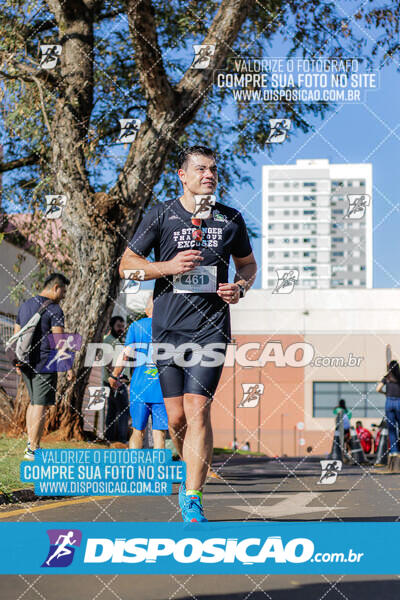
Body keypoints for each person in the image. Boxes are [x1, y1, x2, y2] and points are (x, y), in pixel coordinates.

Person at [119, 145, 257, 522]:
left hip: (210, 329)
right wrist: (167, 266)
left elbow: (247, 266)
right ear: (182, 175)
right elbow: (126, 266)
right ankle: (188, 469)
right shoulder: (161, 215)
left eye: (213, 169)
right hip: (167, 330)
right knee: (176, 418)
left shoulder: (230, 220)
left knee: (198, 410)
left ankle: (192, 495)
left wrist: (240, 289)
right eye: (200, 169)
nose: (209, 175)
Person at [13, 273, 71, 460]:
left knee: (33, 403)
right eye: (63, 291)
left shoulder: (25, 305)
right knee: (41, 405)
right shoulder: (54, 309)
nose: (63, 295)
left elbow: (17, 332)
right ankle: (33, 448)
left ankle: (30, 444)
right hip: (45, 364)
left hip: (26, 362)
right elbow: (59, 341)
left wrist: (18, 359)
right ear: (55, 287)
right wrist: (68, 366)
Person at [109, 296, 168, 449]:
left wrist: (114, 375)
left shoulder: (136, 326)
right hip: (163, 388)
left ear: (147, 309)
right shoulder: (169, 326)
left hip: (140, 387)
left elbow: (126, 354)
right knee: (159, 433)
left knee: (137, 431)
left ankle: (135, 467)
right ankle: (159, 469)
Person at [103, 316, 129, 444]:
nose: (121, 329)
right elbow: (107, 361)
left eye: (123, 326)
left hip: (117, 381)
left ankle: (110, 439)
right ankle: (122, 440)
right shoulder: (109, 341)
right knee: (124, 410)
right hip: (114, 382)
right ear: (112, 326)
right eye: (119, 326)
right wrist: (115, 378)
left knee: (112, 411)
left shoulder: (118, 341)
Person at [376, 360, 400, 456]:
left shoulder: (387, 377)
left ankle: (394, 451)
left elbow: (378, 389)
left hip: (389, 402)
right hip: (399, 402)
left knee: (391, 428)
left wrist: (385, 393)